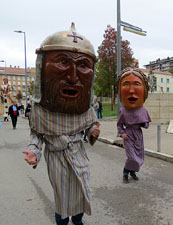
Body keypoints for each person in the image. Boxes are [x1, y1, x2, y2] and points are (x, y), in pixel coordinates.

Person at [22, 23, 100, 225]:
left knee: (83, 190)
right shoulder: (40, 112)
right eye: (63, 63)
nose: (73, 77)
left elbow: (89, 126)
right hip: (57, 159)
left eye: (83, 66)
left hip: (78, 155)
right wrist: (33, 151)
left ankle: (79, 220)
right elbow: (37, 137)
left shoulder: (85, 110)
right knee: (63, 198)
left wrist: (94, 130)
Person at [117, 67, 151, 184]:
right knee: (131, 157)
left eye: (137, 84)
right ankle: (125, 174)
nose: (132, 90)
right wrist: (122, 134)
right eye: (126, 84)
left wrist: (143, 123)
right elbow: (119, 125)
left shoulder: (144, 110)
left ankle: (133, 172)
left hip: (138, 135)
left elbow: (146, 124)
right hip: (129, 135)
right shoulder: (123, 111)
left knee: (138, 155)